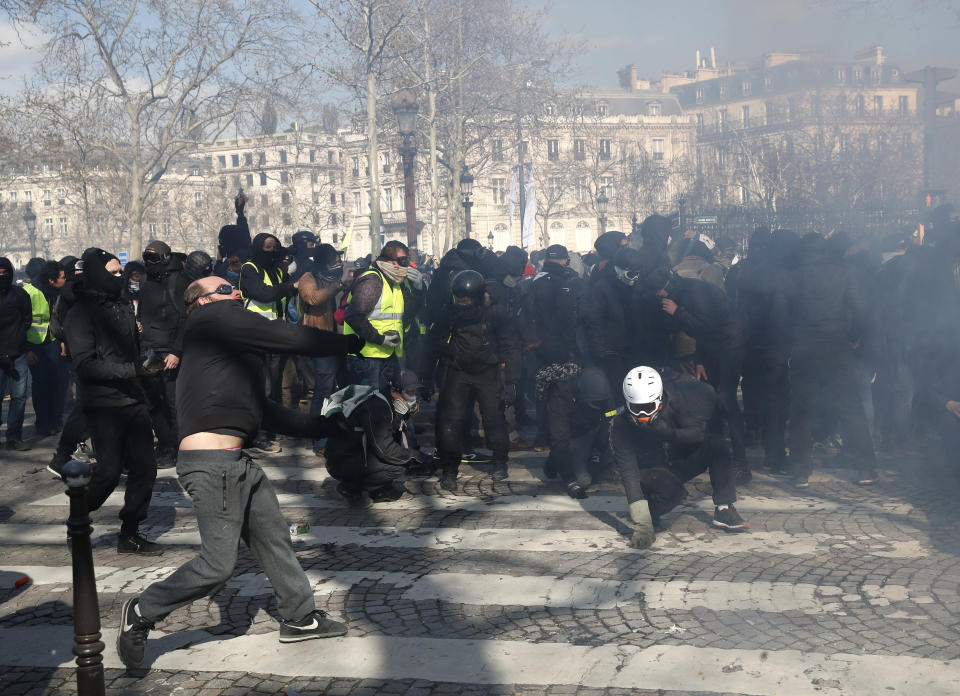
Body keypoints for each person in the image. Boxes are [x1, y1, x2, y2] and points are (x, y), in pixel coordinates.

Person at [116, 274, 365, 670]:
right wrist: (349, 343)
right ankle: (143, 609)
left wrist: (325, 426)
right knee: (217, 565)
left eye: (235, 287)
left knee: (273, 538)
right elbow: (288, 335)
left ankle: (300, 619)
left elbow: (266, 411)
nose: (235, 292)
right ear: (201, 301)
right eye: (224, 289)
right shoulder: (210, 322)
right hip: (212, 466)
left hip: (237, 464)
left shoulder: (227, 352)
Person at [63, 248, 163, 555]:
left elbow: (133, 346)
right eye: (114, 272)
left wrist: (148, 358)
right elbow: (86, 365)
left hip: (133, 398)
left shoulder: (121, 304)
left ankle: (130, 533)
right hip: (103, 403)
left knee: (146, 469)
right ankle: (78, 517)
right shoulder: (80, 313)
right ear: (97, 273)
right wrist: (132, 369)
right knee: (108, 472)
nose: (120, 277)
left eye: (120, 271)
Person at [775, 233, 877, 487]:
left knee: (801, 411)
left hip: (805, 346)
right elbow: (863, 309)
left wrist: (791, 341)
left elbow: (779, 315)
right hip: (837, 345)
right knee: (851, 407)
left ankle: (800, 470)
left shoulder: (792, 276)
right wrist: (853, 337)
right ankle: (865, 468)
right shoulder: (844, 273)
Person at [610, 366, 747, 549]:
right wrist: (643, 526)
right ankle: (650, 515)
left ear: (659, 401)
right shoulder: (620, 425)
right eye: (636, 408)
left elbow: (697, 433)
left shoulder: (673, 399)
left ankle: (724, 508)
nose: (642, 415)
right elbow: (629, 475)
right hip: (649, 472)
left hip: (675, 460)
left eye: (648, 407)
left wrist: (668, 434)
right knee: (671, 489)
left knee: (717, 444)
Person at [423, 269, 520, 490]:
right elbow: (431, 345)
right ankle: (449, 468)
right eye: (459, 299)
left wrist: (512, 380)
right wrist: (426, 377)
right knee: (451, 420)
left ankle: (499, 460)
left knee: (493, 417)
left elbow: (511, 345)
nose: (462, 304)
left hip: (488, 370)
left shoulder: (496, 313)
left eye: (466, 300)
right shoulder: (447, 312)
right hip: (457, 370)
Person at [323, 371, 425, 504]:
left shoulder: (388, 402)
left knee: (400, 456)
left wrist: (405, 417)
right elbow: (385, 449)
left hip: (357, 453)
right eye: (409, 393)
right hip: (341, 460)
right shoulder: (377, 407)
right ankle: (351, 487)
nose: (413, 398)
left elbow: (395, 437)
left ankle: (380, 489)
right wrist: (414, 456)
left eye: (414, 393)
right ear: (394, 391)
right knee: (399, 464)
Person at [239, 231, 299, 452]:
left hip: (275, 333)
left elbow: (282, 294)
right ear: (257, 247)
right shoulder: (250, 268)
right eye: (268, 246)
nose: (272, 250)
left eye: (275, 246)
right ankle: (259, 434)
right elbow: (263, 294)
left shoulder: (276, 269)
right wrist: (290, 286)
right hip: (255, 333)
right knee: (262, 386)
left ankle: (271, 429)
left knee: (273, 385)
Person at [298, 243, 349, 455]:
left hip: (342, 339)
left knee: (344, 389)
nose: (336, 263)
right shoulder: (308, 278)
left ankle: (340, 432)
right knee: (323, 391)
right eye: (333, 260)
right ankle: (319, 439)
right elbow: (313, 298)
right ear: (324, 261)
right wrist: (339, 283)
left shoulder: (339, 277)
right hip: (321, 340)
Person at [139, 241, 186, 469]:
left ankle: (177, 448)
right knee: (153, 401)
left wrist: (177, 351)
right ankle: (166, 445)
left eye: (154, 258)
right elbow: (144, 313)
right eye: (146, 258)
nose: (149, 263)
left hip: (170, 351)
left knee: (171, 402)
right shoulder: (146, 281)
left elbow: (186, 319)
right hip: (150, 349)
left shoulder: (179, 280)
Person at [343, 241, 409, 392]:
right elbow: (354, 316)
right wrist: (380, 339)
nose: (406, 267)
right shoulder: (372, 281)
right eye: (402, 261)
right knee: (367, 405)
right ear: (388, 262)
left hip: (385, 355)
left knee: (382, 403)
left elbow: (409, 312)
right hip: (366, 357)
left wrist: (419, 289)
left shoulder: (394, 283)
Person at [543, 367, 617, 498]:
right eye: (595, 403)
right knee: (583, 482)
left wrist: (598, 449)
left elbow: (610, 417)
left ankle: (591, 458)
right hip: (573, 435)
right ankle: (554, 461)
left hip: (594, 430)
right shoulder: (560, 397)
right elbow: (559, 439)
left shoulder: (603, 391)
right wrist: (570, 481)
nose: (599, 405)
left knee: (602, 470)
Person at [24, 258, 67, 437]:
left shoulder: (55, 292)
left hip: (52, 342)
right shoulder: (29, 293)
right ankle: (43, 423)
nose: (65, 280)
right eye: (62, 277)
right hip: (34, 345)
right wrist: (27, 350)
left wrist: (62, 341)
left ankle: (55, 420)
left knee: (58, 383)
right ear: (51, 279)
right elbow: (21, 323)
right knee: (41, 385)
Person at [0, 257, 32, 451]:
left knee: (19, 397)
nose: (2, 277)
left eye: (5, 274)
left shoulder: (20, 295)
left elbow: (27, 321)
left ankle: (14, 437)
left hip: (17, 353)